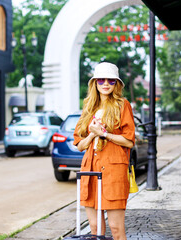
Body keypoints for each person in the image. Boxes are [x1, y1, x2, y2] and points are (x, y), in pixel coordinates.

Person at [73, 62, 135, 240]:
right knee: (94, 227)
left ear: (117, 84)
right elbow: (79, 145)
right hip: (90, 171)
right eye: (101, 80)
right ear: (95, 83)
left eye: (111, 81)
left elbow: (129, 141)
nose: (106, 84)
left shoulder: (122, 105)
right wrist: (93, 135)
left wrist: (104, 134)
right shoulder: (89, 107)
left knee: (116, 228)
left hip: (113, 170)